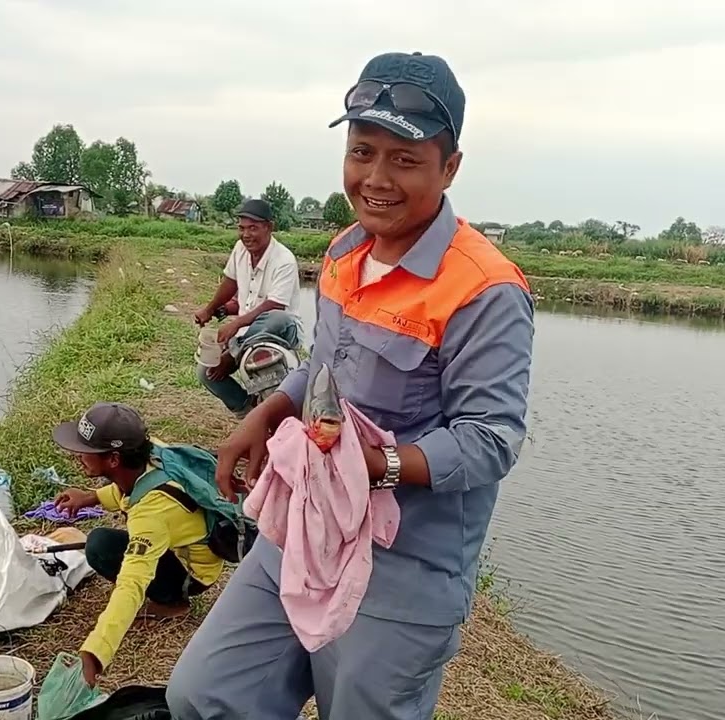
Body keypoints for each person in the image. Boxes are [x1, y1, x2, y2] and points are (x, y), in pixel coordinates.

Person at [167, 51, 535, 719]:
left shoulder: (485, 289)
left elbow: (491, 441)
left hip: (406, 562)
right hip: (306, 527)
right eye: (363, 151)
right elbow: (327, 373)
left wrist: (378, 467)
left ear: (449, 167)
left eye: (405, 159)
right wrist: (270, 411)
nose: (376, 178)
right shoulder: (343, 253)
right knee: (203, 693)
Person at [49, 401, 224, 688]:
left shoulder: (151, 514)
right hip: (186, 547)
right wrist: (90, 497)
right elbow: (130, 488)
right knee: (102, 541)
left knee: (99, 546)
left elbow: (131, 583)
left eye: (88, 450)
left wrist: (96, 652)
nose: (79, 455)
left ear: (114, 459)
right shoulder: (148, 452)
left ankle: (173, 601)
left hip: (192, 572)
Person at [194, 197, 303, 417]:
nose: (246, 235)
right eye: (242, 228)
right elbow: (230, 282)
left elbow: (275, 305)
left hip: (281, 329)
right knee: (205, 372)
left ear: (269, 227)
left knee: (276, 318)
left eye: (253, 228)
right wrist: (211, 308)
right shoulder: (240, 249)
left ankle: (233, 355)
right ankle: (249, 411)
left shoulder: (284, 260)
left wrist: (236, 325)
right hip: (249, 334)